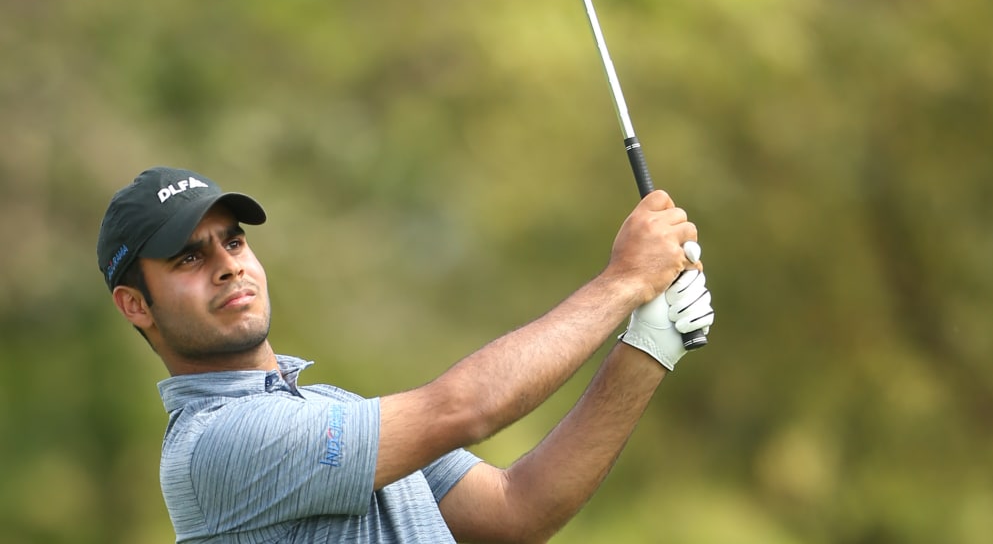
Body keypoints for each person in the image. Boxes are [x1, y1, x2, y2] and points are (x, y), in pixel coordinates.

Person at [97, 166, 715, 543]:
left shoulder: (326, 407)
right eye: (189, 257)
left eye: (233, 242)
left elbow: (516, 511)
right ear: (136, 305)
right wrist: (623, 281)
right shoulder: (216, 443)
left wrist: (648, 346)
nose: (228, 265)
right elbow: (463, 409)